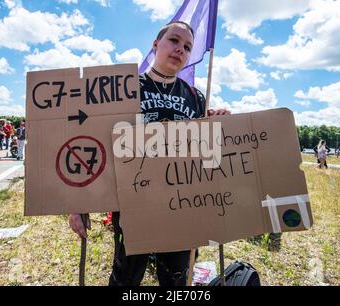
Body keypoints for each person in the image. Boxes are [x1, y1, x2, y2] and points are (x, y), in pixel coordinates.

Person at [69, 21, 230, 286]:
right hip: (134, 202)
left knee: (177, 276)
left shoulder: (195, 96)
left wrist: (219, 121)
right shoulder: (126, 87)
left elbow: (206, 152)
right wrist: (79, 201)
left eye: (188, 47)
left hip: (182, 204)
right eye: (174, 41)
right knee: (126, 275)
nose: (181, 50)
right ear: (156, 44)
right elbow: (95, 143)